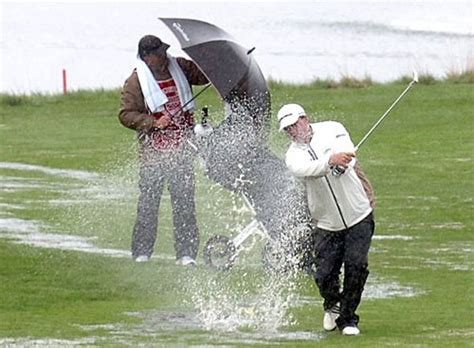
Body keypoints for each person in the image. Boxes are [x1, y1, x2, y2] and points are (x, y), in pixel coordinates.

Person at [278, 103, 375, 336]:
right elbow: (306, 169)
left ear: (304, 118)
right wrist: (330, 162)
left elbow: (348, 152)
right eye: (287, 129)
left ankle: (349, 319)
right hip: (325, 221)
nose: (293, 131)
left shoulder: (332, 128)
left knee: (356, 265)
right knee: (324, 273)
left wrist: (343, 162)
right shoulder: (293, 155)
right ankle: (332, 305)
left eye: (294, 124)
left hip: (358, 213)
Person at [118, 35, 208, 265]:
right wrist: (153, 122)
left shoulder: (180, 66)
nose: (164, 56)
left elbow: (203, 76)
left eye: (164, 51)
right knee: (149, 205)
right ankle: (142, 253)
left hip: (183, 150)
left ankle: (186, 254)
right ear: (147, 58)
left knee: (185, 205)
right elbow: (126, 114)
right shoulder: (135, 81)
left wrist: (211, 65)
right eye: (159, 53)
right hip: (153, 154)